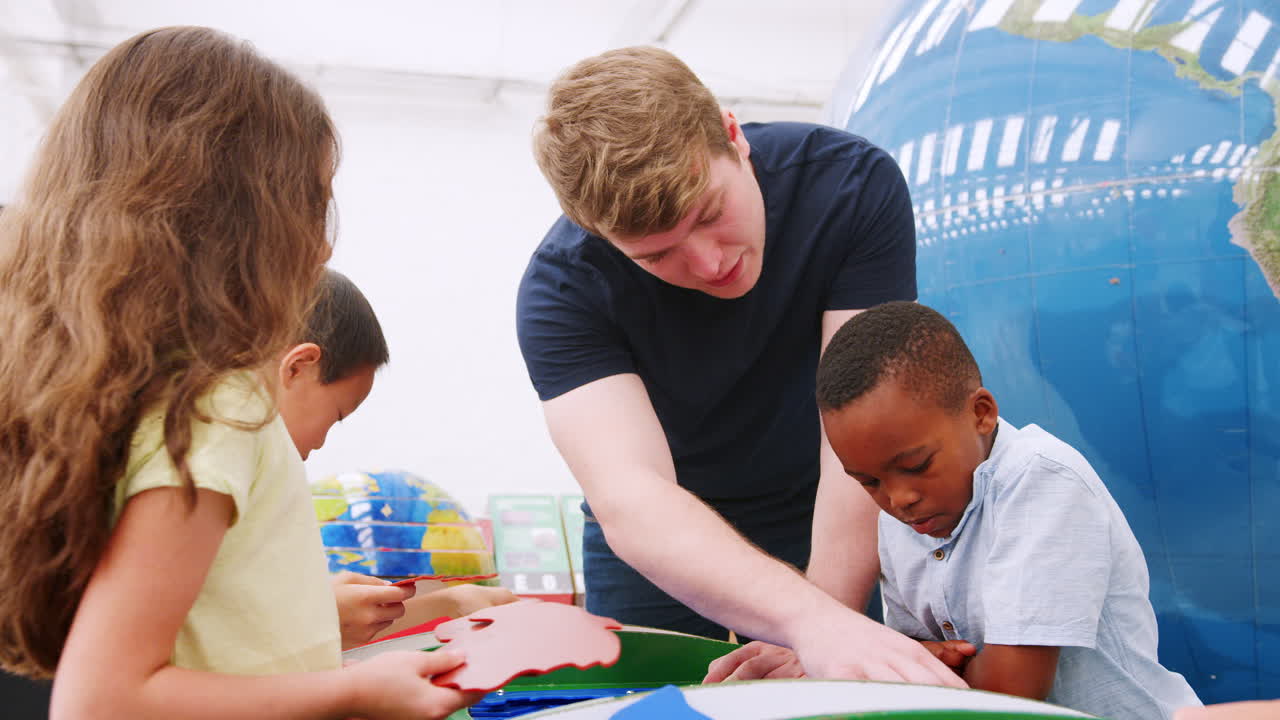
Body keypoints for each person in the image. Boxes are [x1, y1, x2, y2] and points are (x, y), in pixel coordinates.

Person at [0, 27, 479, 719]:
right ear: (238, 218)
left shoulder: (121, 387)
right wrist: (358, 689)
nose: (322, 246)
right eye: (309, 204)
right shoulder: (215, 406)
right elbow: (103, 699)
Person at [516, 46, 959, 685]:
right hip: (665, 525)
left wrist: (823, 620)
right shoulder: (563, 289)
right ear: (599, 235)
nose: (709, 263)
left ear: (732, 135)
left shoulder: (848, 186)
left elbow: (864, 429)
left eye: (709, 214)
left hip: (826, 499)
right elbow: (632, 495)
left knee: (830, 687)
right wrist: (808, 620)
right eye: (656, 256)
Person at [718, 301, 1200, 717]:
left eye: (917, 465)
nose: (898, 499)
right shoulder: (901, 517)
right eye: (868, 482)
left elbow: (1011, 693)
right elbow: (914, 656)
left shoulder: (1041, 480)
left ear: (981, 413)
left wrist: (899, 669)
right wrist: (916, 661)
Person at [277, 269, 517, 649]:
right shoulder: (213, 482)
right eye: (336, 416)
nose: (321, 443)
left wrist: (451, 603)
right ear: (297, 367)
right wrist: (318, 618)